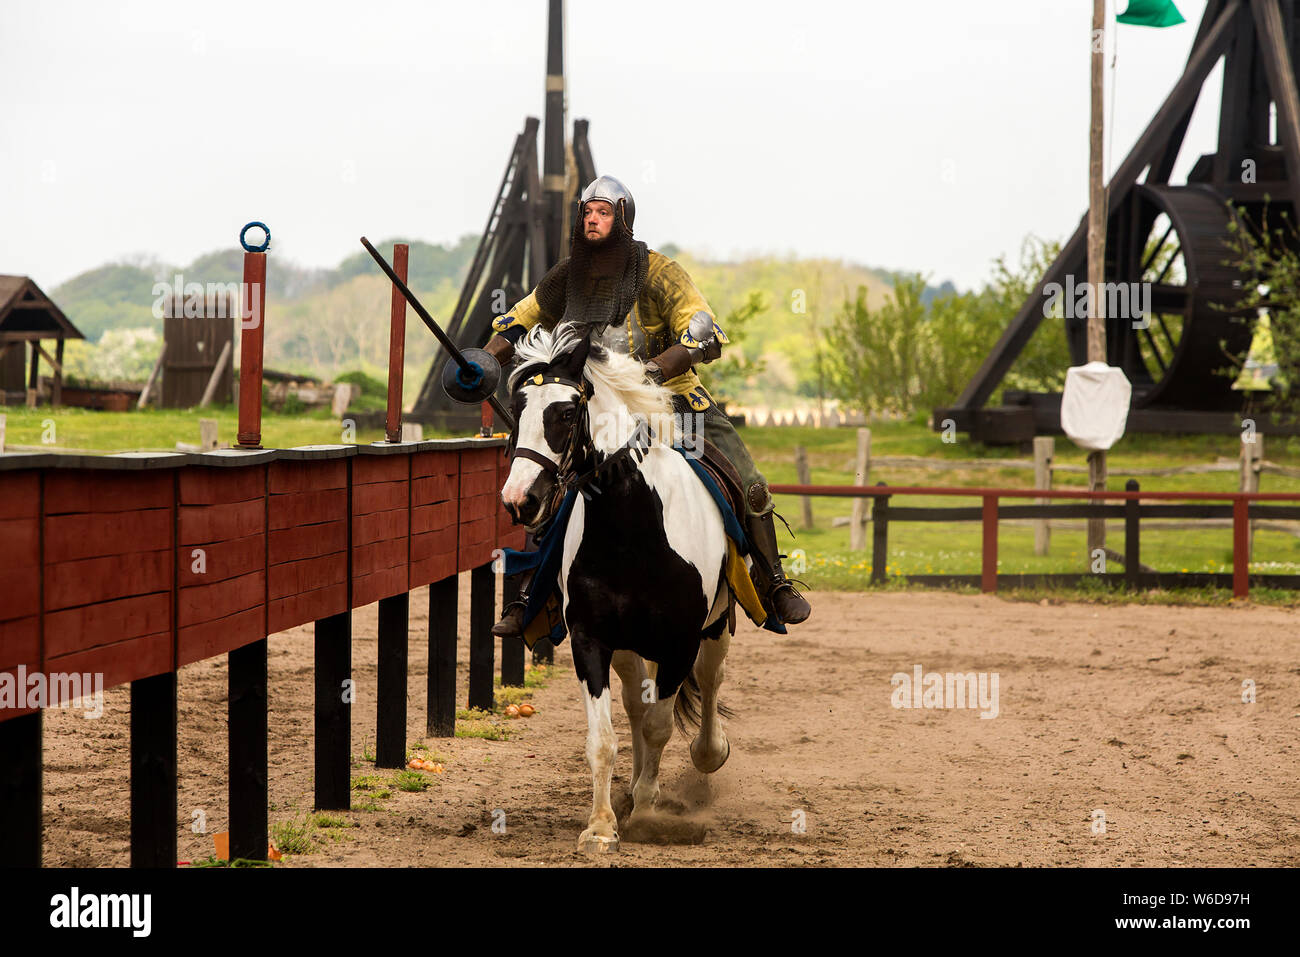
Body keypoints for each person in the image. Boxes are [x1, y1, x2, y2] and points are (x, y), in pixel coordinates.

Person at [483, 175, 811, 634]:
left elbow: (700, 329)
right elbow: (519, 320)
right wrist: (482, 361)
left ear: (622, 219)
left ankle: (773, 583)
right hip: (600, 409)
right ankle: (533, 595)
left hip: (673, 401)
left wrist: (651, 372)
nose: (592, 220)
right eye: (587, 212)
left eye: (603, 212)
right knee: (554, 479)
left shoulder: (658, 272)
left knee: (748, 480)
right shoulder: (567, 275)